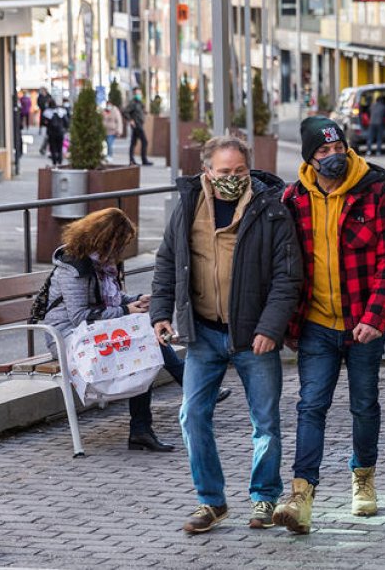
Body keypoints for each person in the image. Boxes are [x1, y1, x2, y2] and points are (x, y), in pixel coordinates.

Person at [150, 136, 303, 535]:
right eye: (224, 172)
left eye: (239, 171)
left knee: (265, 422)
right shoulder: (188, 207)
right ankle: (211, 500)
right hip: (203, 334)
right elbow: (168, 262)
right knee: (192, 416)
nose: (233, 179)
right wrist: (161, 313)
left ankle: (264, 496)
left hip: (254, 337)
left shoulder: (271, 209)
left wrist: (271, 328)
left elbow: (288, 277)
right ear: (207, 172)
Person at [273, 117, 385, 535]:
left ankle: (363, 475)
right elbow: (285, 265)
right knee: (310, 405)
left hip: (364, 324)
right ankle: (301, 494)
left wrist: (375, 317)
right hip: (315, 324)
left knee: (364, 404)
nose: (334, 157)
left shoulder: (376, 191)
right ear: (310, 158)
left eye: (339, 149)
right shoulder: (293, 199)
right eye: (324, 152)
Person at [42, 208, 187, 453]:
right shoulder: (74, 268)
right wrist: (126, 310)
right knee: (142, 348)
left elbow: (113, 300)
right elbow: (79, 317)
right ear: (104, 240)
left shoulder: (102, 264)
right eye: (119, 244)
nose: (120, 251)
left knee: (144, 347)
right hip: (67, 337)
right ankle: (190, 391)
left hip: (94, 331)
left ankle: (144, 428)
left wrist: (137, 300)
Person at [124, 92, 153, 166]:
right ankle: (144, 160)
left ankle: (132, 160)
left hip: (139, 124)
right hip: (137, 125)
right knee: (144, 141)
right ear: (134, 94)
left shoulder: (139, 103)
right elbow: (125, 112)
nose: (139, 95)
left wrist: (144, 112)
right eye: (138, 93)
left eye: (140, 93)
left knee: (133, 142)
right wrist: (130, 120)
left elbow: (140, 111)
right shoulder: (133, 103)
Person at [41, 97, 69, 166]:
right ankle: (60, 160)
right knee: (60, 147)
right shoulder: (62, 111)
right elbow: (66, 122)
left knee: (52, 147)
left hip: (51, 132)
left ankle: (54, 161)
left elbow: (43, 122)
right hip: (60, 132)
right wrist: (65, 129)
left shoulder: (47, 112)